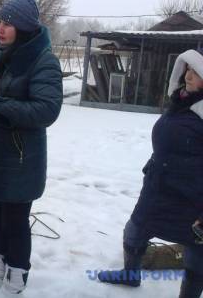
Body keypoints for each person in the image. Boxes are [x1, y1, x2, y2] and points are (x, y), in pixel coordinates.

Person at [0, 0, 63, 296]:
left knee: (15, 222)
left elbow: (46, 110)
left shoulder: (43, 60)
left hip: (21, 158)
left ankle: (16, 278)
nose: (0, 28)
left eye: (7, 23)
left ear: (23, 27)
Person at [97, 49, 203, 298]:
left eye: (196, 72)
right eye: (188, 68)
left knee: (196, 252)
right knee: (134, 231)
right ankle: (130, 275)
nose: (188, 75)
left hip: (193, 197)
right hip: (158, 188)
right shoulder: (182, 102)